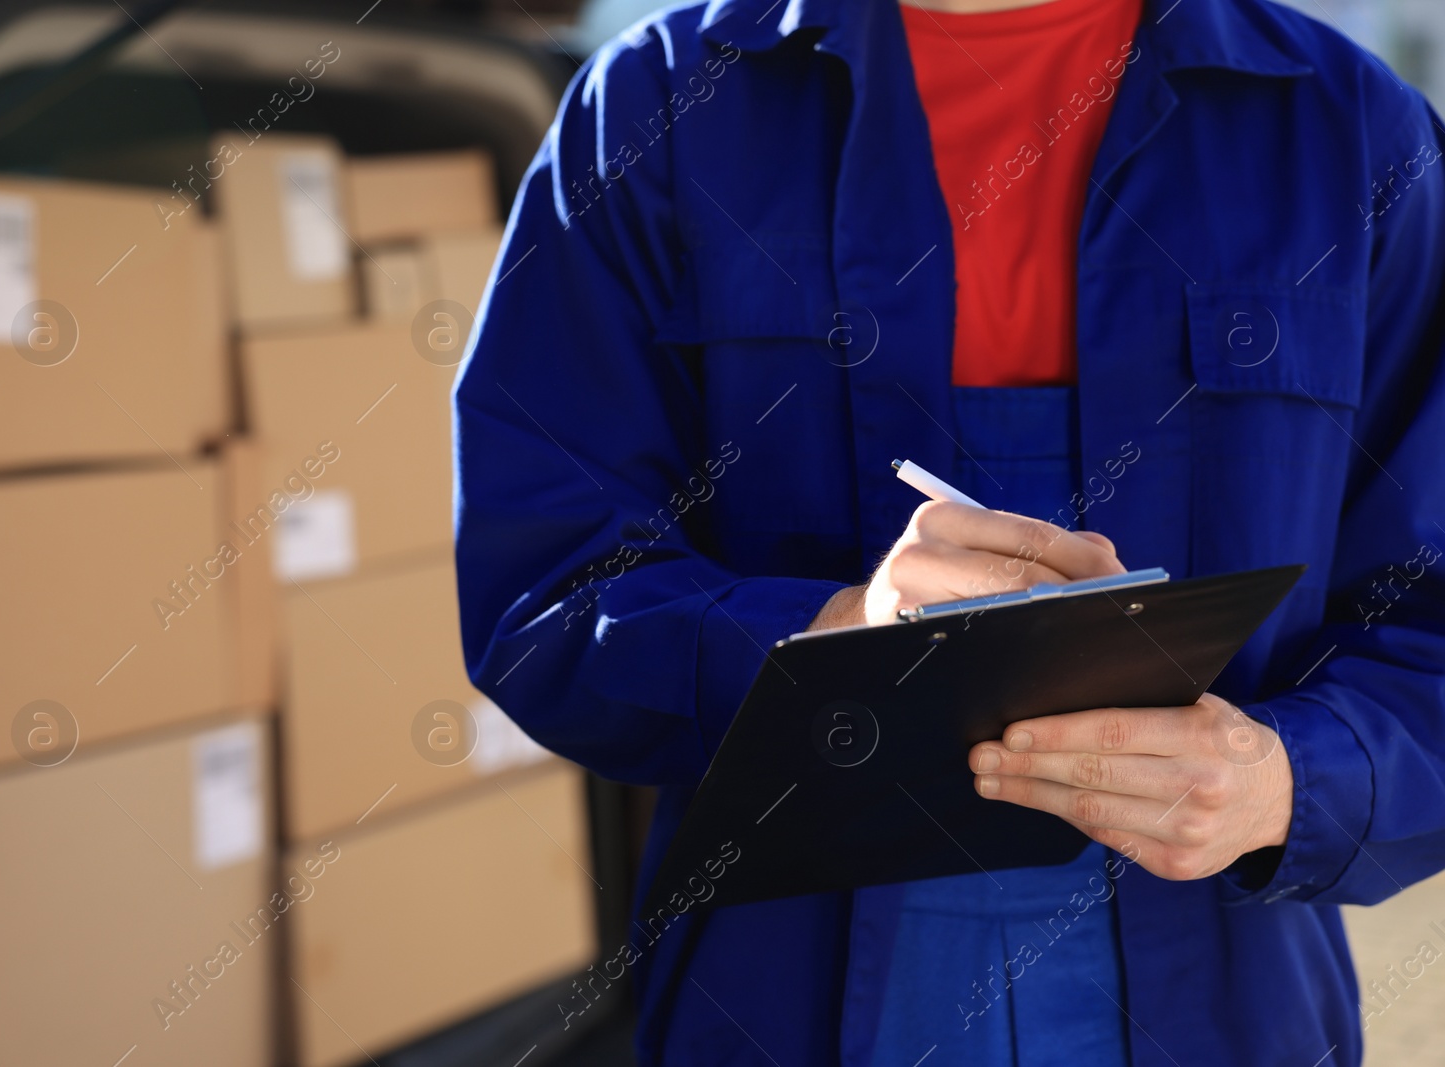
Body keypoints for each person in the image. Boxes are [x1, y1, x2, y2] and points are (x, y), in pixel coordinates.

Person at [453, 0, 1445, 1062]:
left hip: (1226, 995)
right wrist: (831, 636)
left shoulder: (1349, 130)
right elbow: (545, 585)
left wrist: (1287, 777)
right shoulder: (655, 109)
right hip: (784, 994)